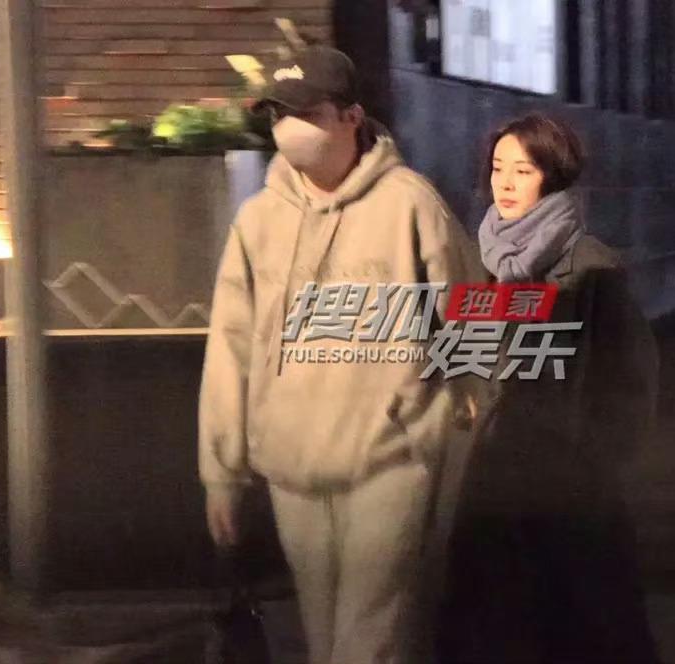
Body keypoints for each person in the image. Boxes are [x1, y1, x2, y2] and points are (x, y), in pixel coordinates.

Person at [198, 45, 484, 664]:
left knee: (369, 637)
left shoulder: (409, 204)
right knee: (325, 636)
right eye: (279, 114)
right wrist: (222, 471)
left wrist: (457, 422)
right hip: (292, 466)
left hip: (389, 459)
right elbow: (231, 345)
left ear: (351, 117)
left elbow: (469, 312)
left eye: (307, 113)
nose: (289, 128)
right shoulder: (258, 221)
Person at [437, 113, 661, 663]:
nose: (506, 183)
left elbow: (630, 381)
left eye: (524, 170)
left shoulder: (591, 268)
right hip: (491, 489)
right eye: (498, 168)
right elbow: (461, 362)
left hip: (569, 495)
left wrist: (592, 461)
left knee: (581, 635)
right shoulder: (481, 261)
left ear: (552, 176)